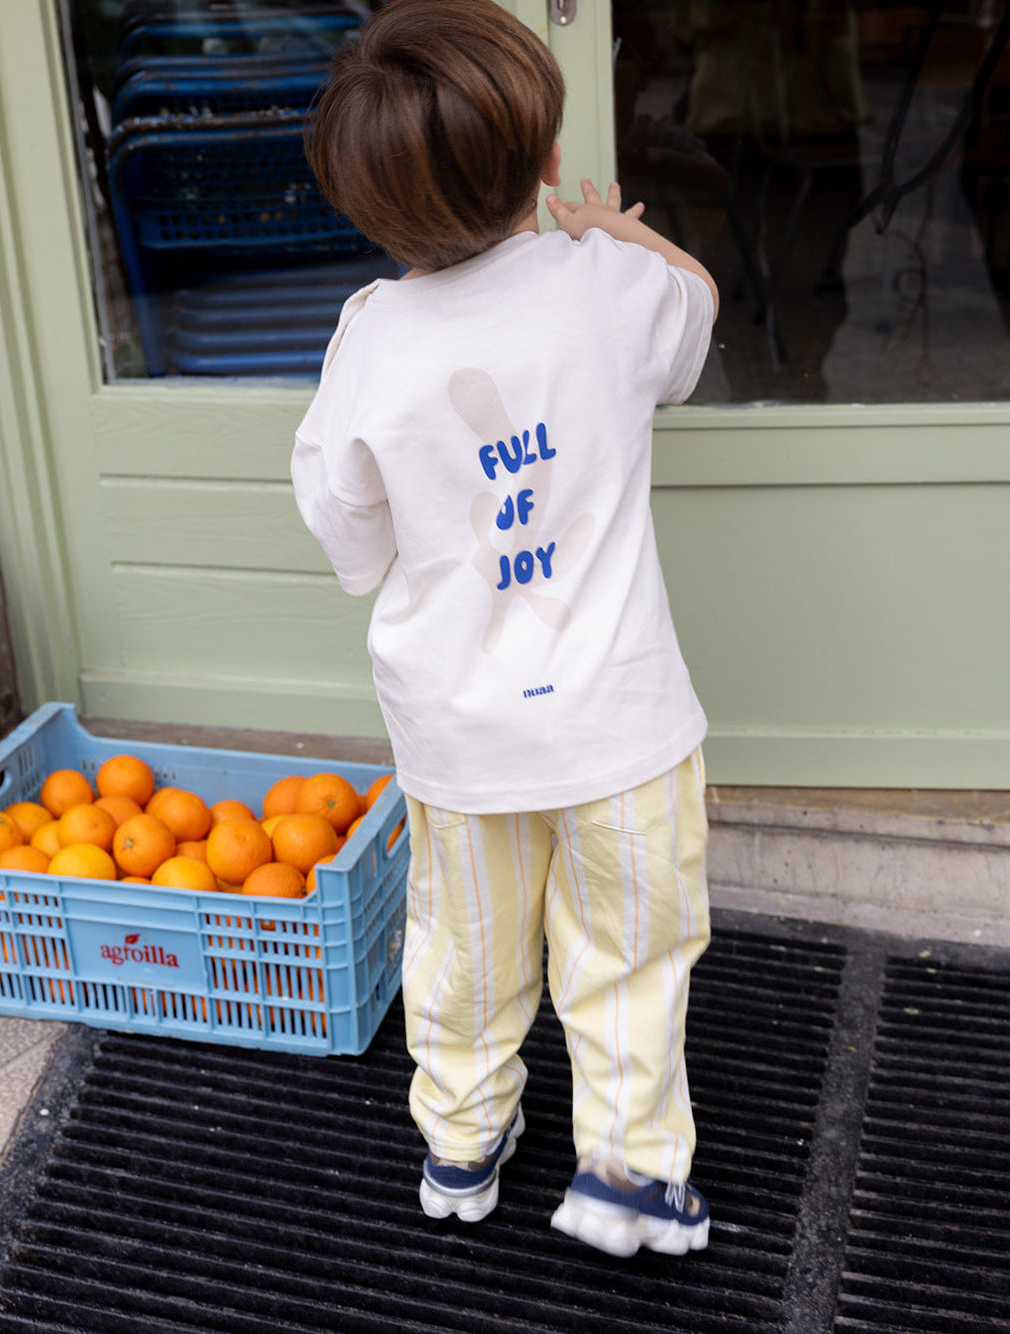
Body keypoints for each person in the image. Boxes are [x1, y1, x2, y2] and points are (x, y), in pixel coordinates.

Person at [291, 0, 719, 1259]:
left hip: (460, 739)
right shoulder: (611, 286)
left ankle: (462, 1142)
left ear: (366, 209)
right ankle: (631, 1171)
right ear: (542, 160)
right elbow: (690, 331)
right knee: (629, 953)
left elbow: (352, 545)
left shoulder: (369, 340)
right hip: (619, 724)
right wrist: (620, 232)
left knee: (464, 948)